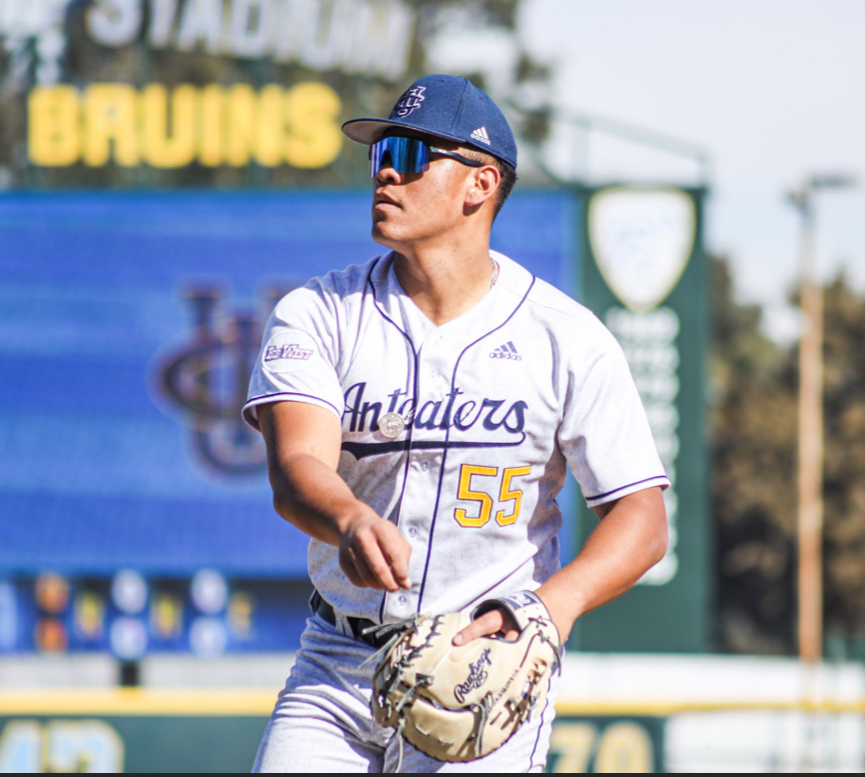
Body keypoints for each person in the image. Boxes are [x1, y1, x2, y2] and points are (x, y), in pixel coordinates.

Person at [242, 74, 669, 773]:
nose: (385, 168)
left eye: (412, 154)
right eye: (382, 149)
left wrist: (549, 611)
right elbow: (297, 471)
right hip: (338, 662)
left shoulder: (567, 336)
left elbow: (644, 519)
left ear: (480, 184)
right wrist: (349, 517)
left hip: (480, 663)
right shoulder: (318, 312)